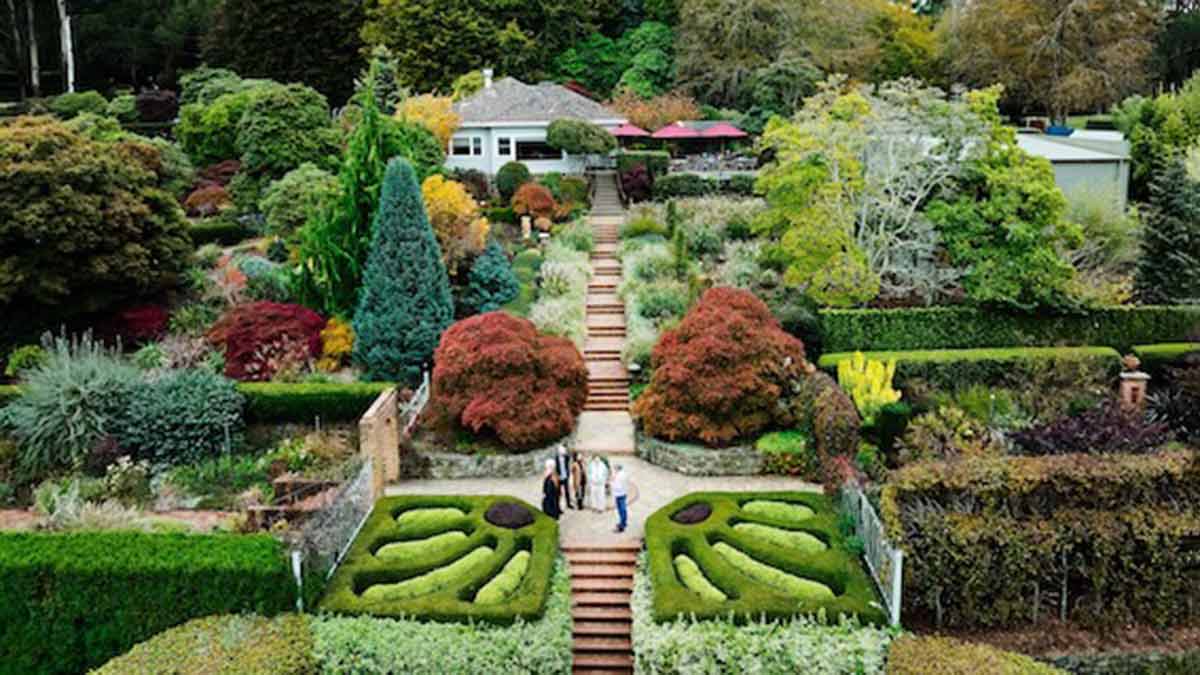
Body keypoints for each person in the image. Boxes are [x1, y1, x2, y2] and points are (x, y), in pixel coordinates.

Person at [611, 463, 629, 533]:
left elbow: (618, 486)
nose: (614, 470)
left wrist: (612, 483)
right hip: (623, 493)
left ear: (617, 468)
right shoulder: (623, 474)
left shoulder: (619, 476)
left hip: (620, 494)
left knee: (621, 510)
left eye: (615, 468)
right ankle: (624, 522)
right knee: (623, 510)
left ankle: (621, 526)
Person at [555, 445, 574, 510]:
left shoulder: (566, 457)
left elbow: (569, 458)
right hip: (559, 478)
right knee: (558, 493)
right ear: (559, 452)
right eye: (562, 452)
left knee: (567, 491)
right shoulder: (556, 458)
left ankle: (568, 504)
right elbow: (555, 468)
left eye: (564, 452)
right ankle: (558, 507)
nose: (563, 453)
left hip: (565, 476)